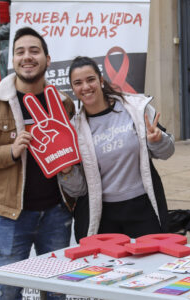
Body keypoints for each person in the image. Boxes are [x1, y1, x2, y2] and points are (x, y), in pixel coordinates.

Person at [0, 27, 74, 300]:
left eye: (34, 51)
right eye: (20, 52)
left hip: (56, 213)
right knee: (9, 291)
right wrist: (9, 151)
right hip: (10, 215)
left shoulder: (63, 102)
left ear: (47, 58)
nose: (27, 57)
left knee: (58, 290)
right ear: (13, 60)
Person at [58, 56, 174, 240]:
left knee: (150, 263)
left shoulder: (135, 109)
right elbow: (78, 190)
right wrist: (66, 172)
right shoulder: (74, 129)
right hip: (103, 216)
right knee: (105, 268)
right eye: (78, 83)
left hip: (143, 209)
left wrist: (157, 141)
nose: (86, 87)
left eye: (90, 79)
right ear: (73, 89)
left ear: (101, 80)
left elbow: (167, 152)